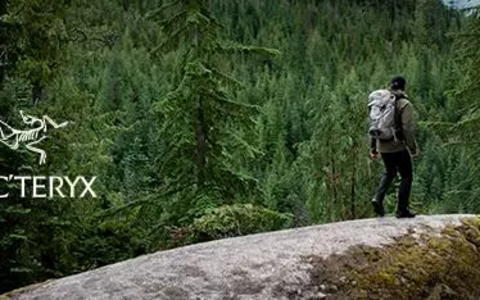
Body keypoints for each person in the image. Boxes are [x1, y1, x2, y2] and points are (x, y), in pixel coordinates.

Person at [370, 76, 419, 218]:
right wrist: (413, 149)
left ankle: (378, 198)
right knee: (406, 176)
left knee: (389, 172)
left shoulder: (381, 103)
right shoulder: (404, 104)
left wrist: (373, 148)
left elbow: (374, 126)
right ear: (403, 87)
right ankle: (402, 209)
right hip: (397, 146)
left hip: (382, 145)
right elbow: (407, 128)